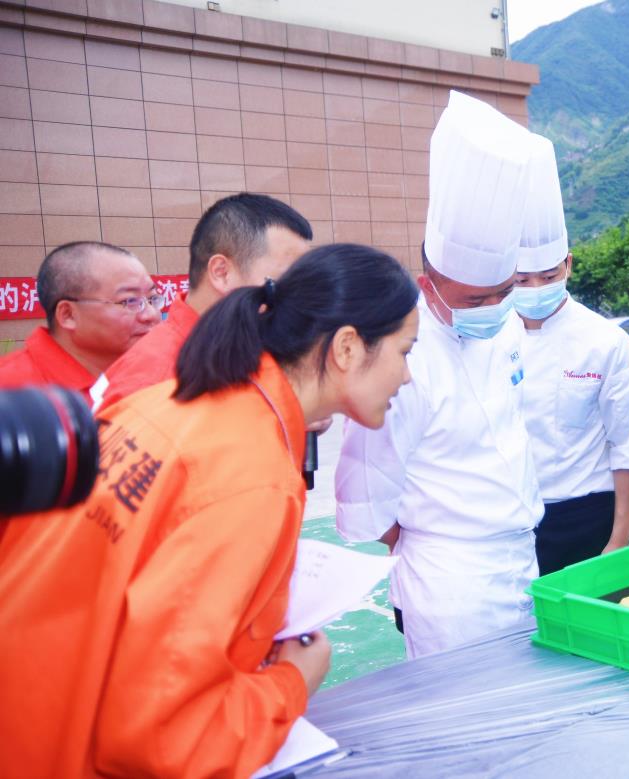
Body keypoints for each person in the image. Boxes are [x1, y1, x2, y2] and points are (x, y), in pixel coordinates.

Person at [0, 243, 420, 777]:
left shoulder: (173, 400)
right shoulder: (254, 475)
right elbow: (164, 737)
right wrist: (292, 680)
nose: (406, 377)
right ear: (346, 349)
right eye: (405, 352)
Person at [336, 90, 544, 657]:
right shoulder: (399, 358)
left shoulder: (503, 325)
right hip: (450, 583)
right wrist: (434, 541)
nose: (497, 306)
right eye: (478, 296)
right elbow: (365, 491)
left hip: (523, 555)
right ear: (429, 286)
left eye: (505, 291)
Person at [513, 134, 629, 575]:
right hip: (510, 518)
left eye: (548, 276)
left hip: (585, 515)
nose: (535, 289)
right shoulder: (488, 338)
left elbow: (627, 446)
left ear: (568, 265)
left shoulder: (605, 341)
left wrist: (619, 540)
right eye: (522, 280)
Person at [94, 192, 312, 410]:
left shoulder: (252, 350)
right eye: (284, 281)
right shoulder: (154, 382)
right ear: (221, 272)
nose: (296, 297)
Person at [0, 241, 159, 400]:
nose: (151, 315)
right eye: (130, 301)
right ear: (68, 315)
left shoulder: (157, 372)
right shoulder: (11, 389)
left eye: (152, 299)